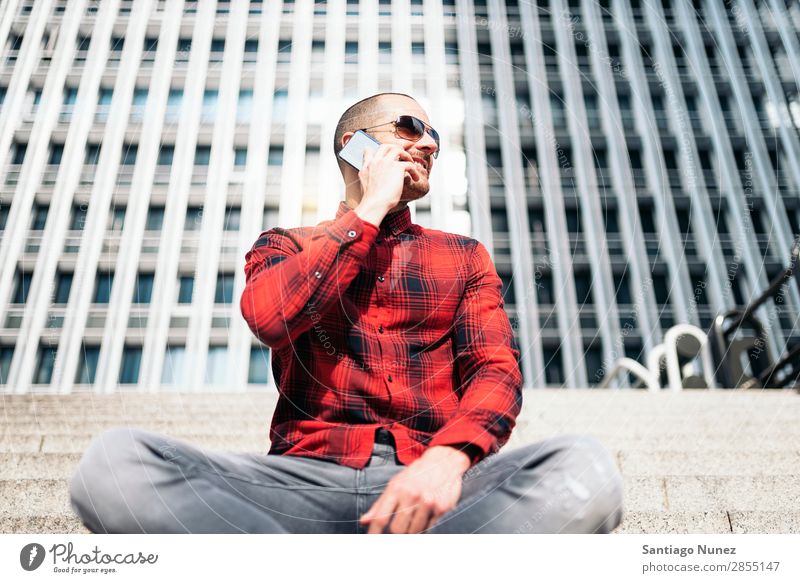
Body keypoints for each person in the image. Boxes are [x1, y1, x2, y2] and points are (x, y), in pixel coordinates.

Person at [69, 92, 623, 534]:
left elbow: (495, 373)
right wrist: (370, 209)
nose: (429, 144)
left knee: (586, 468)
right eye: (410, 127)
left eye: (435, 136)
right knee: (113, 466)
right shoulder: (284, 245)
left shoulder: (464, 255)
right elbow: (269, 318)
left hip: (438, 493)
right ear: (354, 146)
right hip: (302, 486)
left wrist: (447, 460)